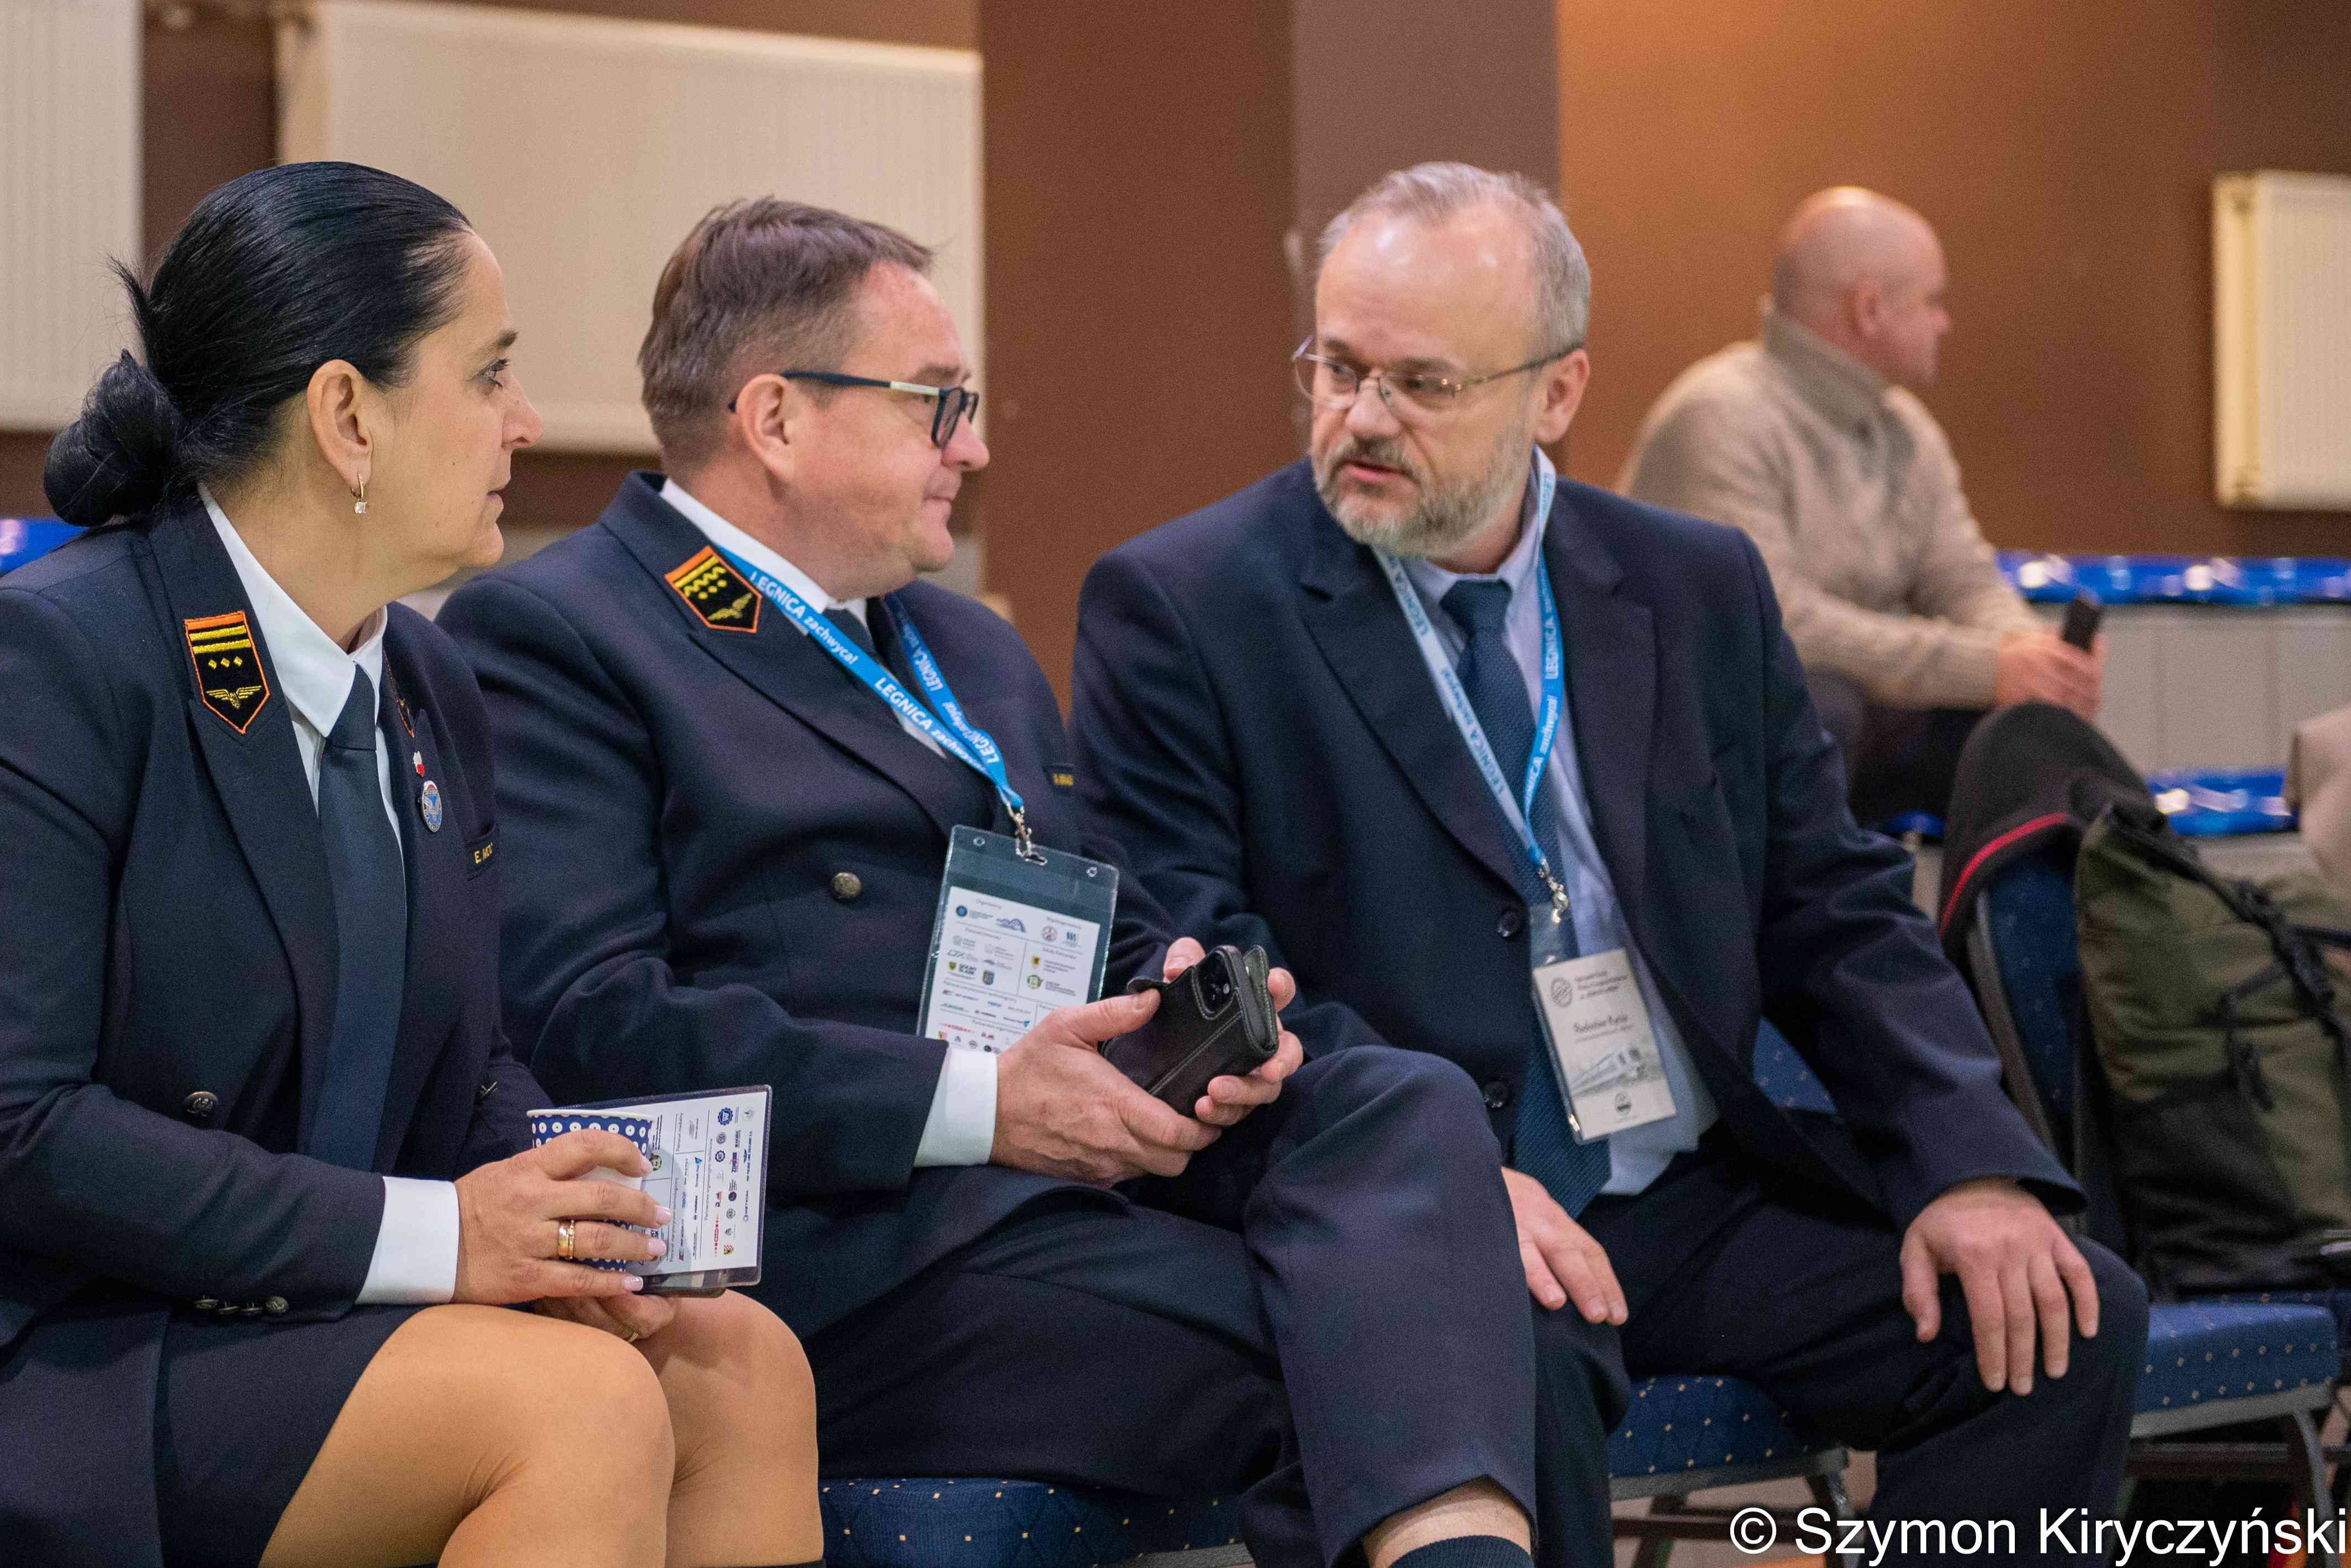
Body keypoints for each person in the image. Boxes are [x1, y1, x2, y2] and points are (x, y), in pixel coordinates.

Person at [0, 163, 823, 1568]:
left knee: (735, 1361)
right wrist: (444, 1235)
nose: (527, 422)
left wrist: (566, 1211)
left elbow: (462, 1058)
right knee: (575, 1407)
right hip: (1, 1343)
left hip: (275, 1299)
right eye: (489, 373)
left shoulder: (427, 677)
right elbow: (14, 1134)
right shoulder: (48, 662)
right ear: (347, 414)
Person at [443, 199, 1544, 1568]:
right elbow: (594, 1025)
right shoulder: (562, 632)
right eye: (936, 404)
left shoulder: (964, 646)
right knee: (1445, 1343)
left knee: (1401, 1103)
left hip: (1077, 1181)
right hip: (846, 1243)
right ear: (774, 418)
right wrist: (981, 1105)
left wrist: (1183, 1003)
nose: (973, 446)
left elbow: (1097, 911)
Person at [1073, 163, 2145, 1567]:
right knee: (1495, 1367)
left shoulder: (1693, 584)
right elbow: (1197, 970)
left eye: (1421, 382)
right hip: (1420, 1205)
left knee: (2059, 1322)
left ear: (1556, 392)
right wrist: (1436, 1173)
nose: (1361, 417)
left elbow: (1828, 908)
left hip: (1680, 1189)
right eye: (1334, 368)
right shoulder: (1189, 604)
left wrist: (1968, 1164)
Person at [1619, 187, 2096, 824]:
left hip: (1852, 728)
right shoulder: (1716, 416)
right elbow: (1777, 625)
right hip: (1702, 756)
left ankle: (2082, 885)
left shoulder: (1907, 429)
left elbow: (1960, 578)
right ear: (1867, 309)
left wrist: (2035, 656)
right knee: (1813, 707)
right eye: (1931, 301)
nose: (1943, 322)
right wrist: (1987, 665)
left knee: (2028, 735)